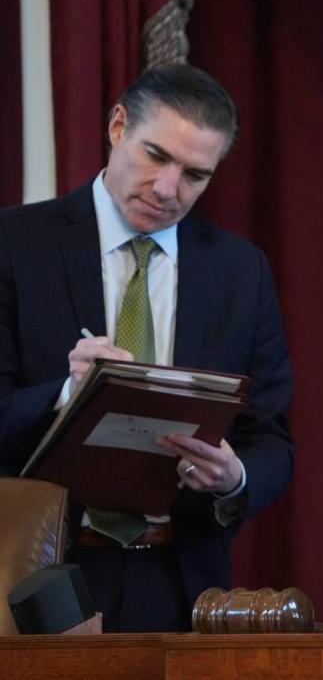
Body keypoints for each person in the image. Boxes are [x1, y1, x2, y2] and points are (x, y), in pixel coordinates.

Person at [0, 65, 293, 631]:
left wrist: (235, 478)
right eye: (155, 156)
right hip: (35, 577)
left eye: (195, 175)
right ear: (117, 127)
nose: (167, 190)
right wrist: (67, 393)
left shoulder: (239, 270)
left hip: (182, 580)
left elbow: (271, 438)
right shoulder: (15, 245)